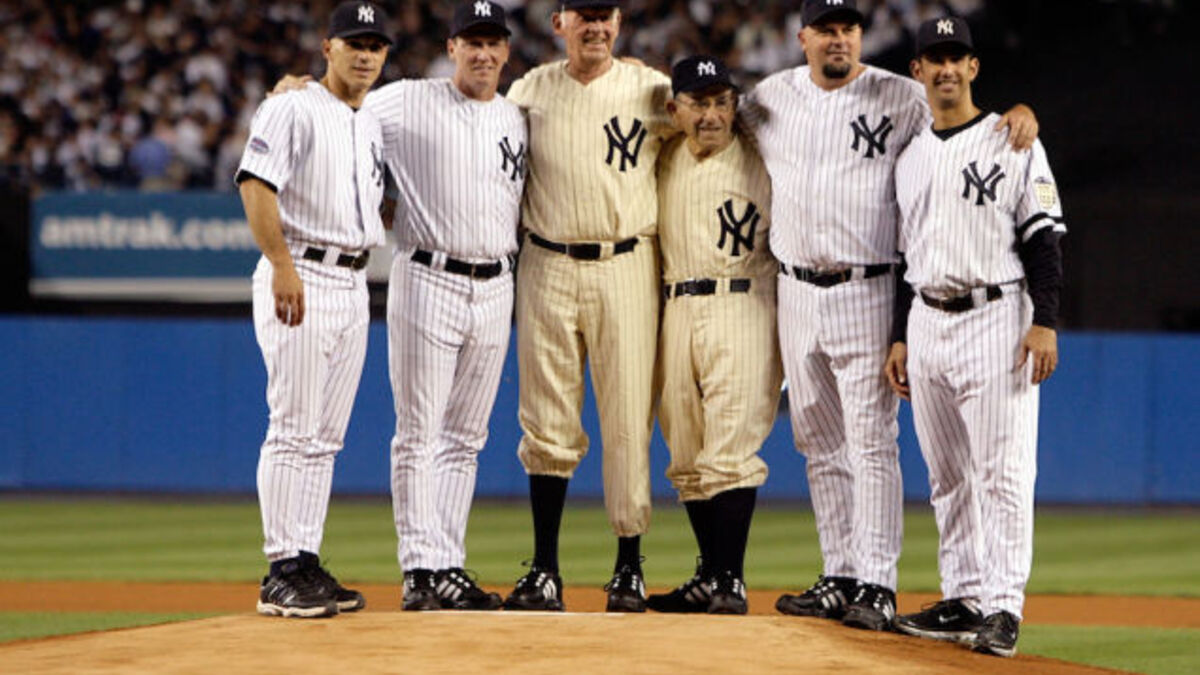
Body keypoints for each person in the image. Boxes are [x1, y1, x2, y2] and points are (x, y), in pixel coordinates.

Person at [740, 0, 1037, 631]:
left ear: (860, 35)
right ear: (802, 38)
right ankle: (840, 572)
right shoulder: (767, 98)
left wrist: (1021, 113)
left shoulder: (901, 95)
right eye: (825, 28)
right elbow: (710, 116)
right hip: (794, 287)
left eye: (847, 27)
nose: (837, 38)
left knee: (871, 442)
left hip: (868, 285)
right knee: (817, 440)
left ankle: (877, 582)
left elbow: (964, 112)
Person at [885, 16, 1065, 657]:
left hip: (998, 315)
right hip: (929, 321)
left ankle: (1003, 607)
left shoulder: (1012, 139)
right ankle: (962, 596)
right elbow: (910, 260)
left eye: (956, 57)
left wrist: (1045, 318)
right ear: (917, 73)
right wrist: (902, 336)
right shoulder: (910, 158)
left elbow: (1044, 236)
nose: (946, 69)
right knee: (947, 476)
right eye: (934, 59)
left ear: (973, 67)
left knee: (1004, 472)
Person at [500, 0, 673, 613]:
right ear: (560, 23)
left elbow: (721, 124)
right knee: (544, 420)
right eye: (584, 14)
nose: (596, 26)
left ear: (619, 23)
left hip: (625, 261)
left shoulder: (653, 90)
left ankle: (629, 568)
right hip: (545, 261)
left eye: (606, 15)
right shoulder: (529, 90)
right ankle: (544, 568)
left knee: (627, 418)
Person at [367, 0, 525, 612]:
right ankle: (419, 568)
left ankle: (448, 564)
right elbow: (339, 106)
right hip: (428, 275)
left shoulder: (517, 117)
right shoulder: (408, 100)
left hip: (496, 285)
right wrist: (297, 88)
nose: (483, 53)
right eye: (471, 41)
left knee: (466, 437)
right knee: (420, 432)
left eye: (493, 42)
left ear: (507, 52)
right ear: (451, 47)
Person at [236, 1, 390, 619]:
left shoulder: (373, 120)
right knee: (293, 426)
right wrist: (280, 264)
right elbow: (255, 183)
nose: (365, 53)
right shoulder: (292, 105)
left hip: (354, 282)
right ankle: (281, 569)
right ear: (327, 48)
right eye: (354, 41)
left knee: (325, 438)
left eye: (375, 44)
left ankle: (304, 558)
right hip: (301, 270)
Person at [644, 55, 780, 616]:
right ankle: (710, 573)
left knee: (730, 446)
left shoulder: (763, 153)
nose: (711, 114)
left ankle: (732, 580)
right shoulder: (663, 154)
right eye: (699, 102)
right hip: (676, 304)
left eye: (722, 101)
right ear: (676, 108)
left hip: (742, 300)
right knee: (686, 453)